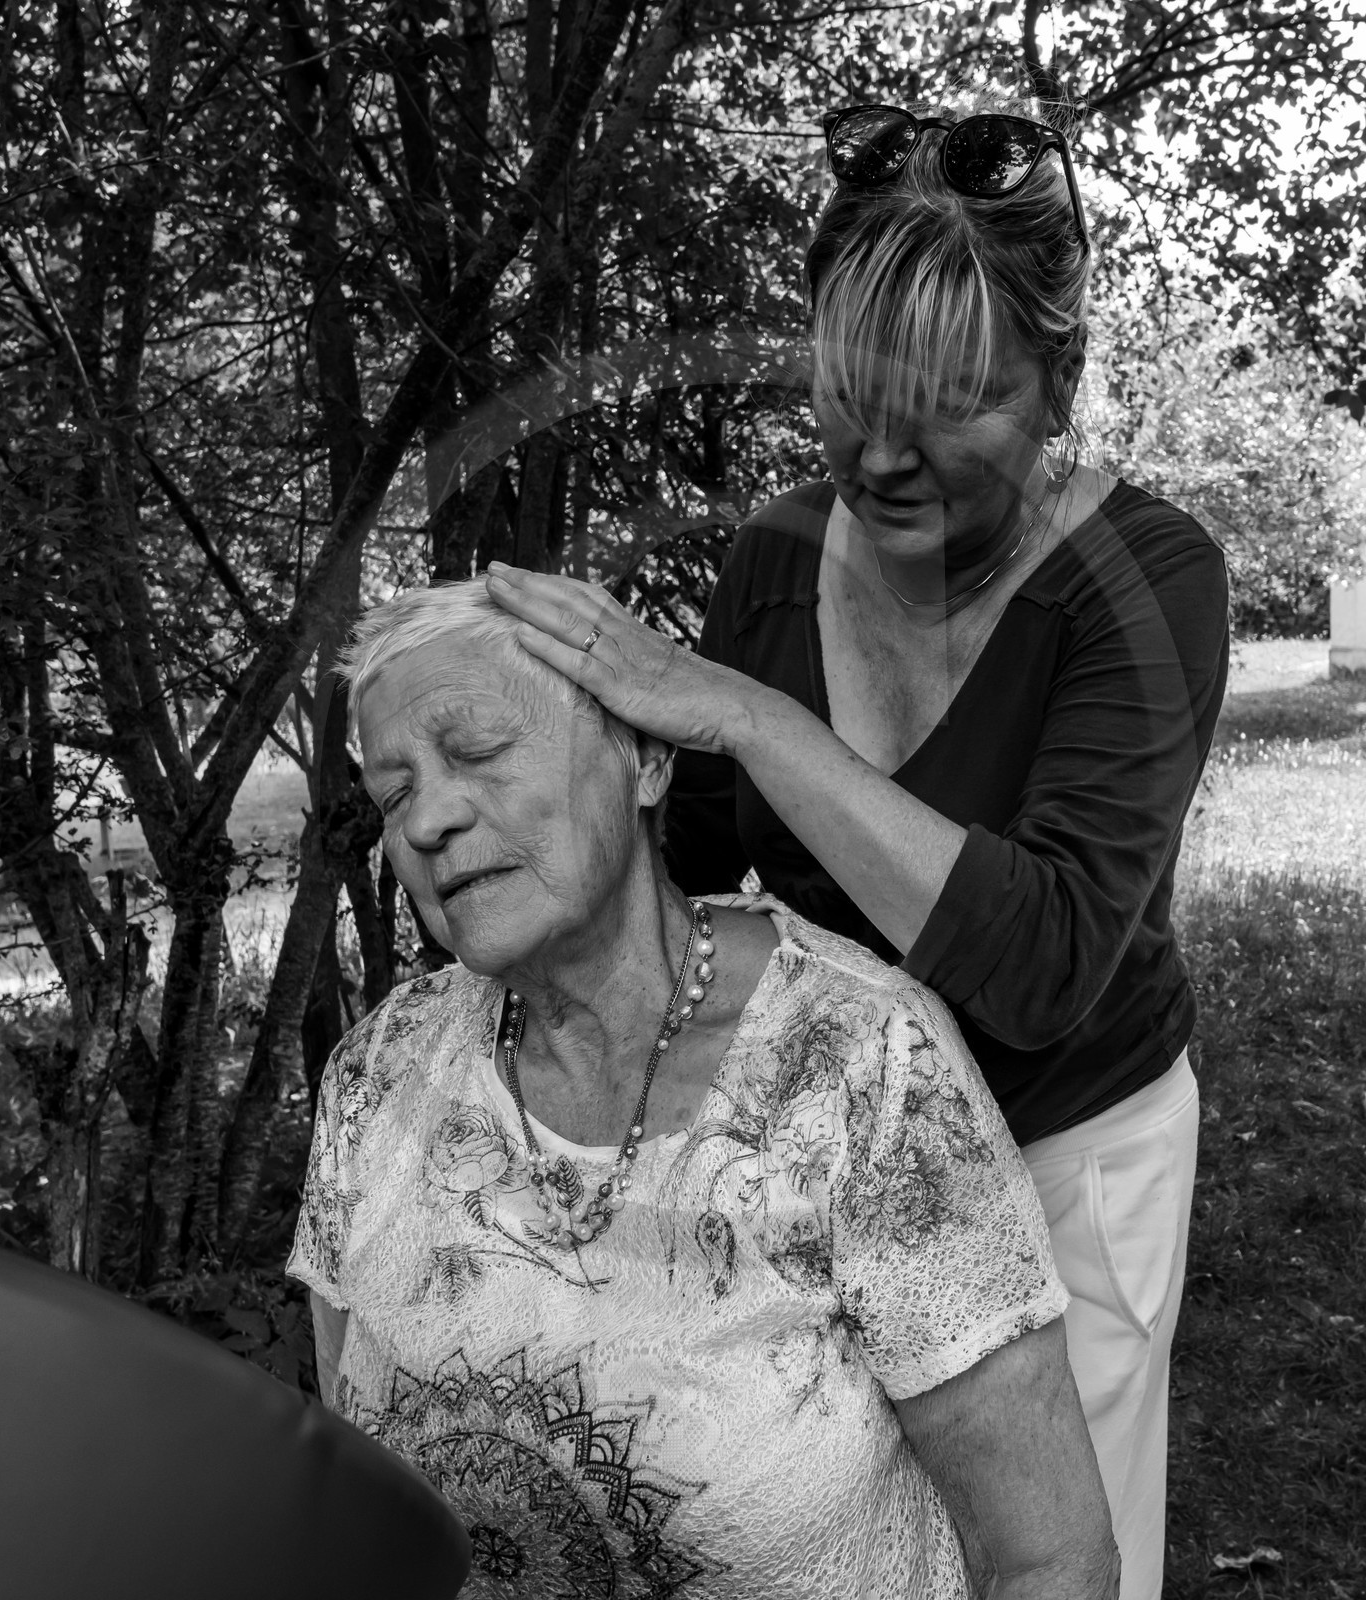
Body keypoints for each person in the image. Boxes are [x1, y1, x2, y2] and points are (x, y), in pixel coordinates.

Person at [484, 91, 1230, 1599]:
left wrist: (752, 719)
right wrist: (525, 821)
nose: (881, 456)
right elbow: (692, 866)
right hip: (834, 1150)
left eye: (950, 403)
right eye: (848, 395)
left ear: (1060, 378)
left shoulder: (1146, 577)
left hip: (1065, 1147)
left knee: (1052, 1554)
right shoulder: (774, 556)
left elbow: (1040, 966)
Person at [287, 580, 1119, 1598]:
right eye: (392, 794)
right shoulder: (379, 1072)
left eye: (480, 751)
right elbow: (351, 1487)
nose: (426, 819)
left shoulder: (858, 1063)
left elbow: (1047, 1557)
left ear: (644, 759)